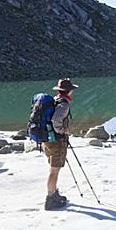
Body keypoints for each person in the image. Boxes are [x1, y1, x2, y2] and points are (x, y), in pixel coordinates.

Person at [43, 78, 78, 210]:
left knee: (53, 169)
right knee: (54, 171)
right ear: (68, 91)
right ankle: (50, 200)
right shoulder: (64, 104)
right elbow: (56, 120)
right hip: (56, 141)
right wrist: (64, 131)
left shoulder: (55, 100)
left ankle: (54, 194)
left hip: (48, 139)